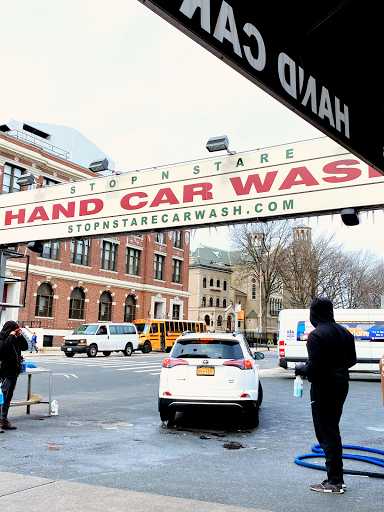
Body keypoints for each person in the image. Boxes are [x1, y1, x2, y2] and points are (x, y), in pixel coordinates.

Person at [295, 297, 356, 494]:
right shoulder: (344, 332)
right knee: (333, 429)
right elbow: (352, 361)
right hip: (342, 385)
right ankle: (337, 477)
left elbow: (313, 370)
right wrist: (336, 367)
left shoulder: (316, 336)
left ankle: (334, 482)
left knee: (326, 433)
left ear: (314, 313)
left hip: (324, 388)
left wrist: (300, 369)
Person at [0, 321, 29, 432]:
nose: (17, 332)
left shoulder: (15, 339)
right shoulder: (1, 338)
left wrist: (20, 336)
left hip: (13, 372)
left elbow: (25, 347)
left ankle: (3, 419)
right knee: (1, 397)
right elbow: (3, 349)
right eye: (15, 330)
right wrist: (11, 336)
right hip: (4, 372)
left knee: (8, 397)